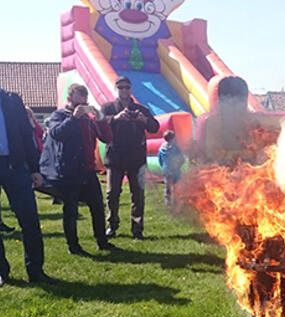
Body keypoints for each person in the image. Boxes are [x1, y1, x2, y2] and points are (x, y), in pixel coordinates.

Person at [40, 84, 117, 255]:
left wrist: (100, 118)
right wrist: (73, 118)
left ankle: (102, 242)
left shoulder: (89, 119)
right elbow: (56, 134)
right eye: (77, 103)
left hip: (88, 170)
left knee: (97, 206)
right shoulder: (59, 115)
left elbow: (107, 137)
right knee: (71, 210)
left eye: (84, 102)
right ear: (70, 100)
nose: (81, 107)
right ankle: (73, 246)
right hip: (69, 170)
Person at [0, 88, 56, 286]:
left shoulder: (12, 100)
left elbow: (26, 134)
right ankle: (1, 272)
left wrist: (35, 169)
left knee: (30, 220)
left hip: (15, 166)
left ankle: (36, 270)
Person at [101, 76, 159, 240]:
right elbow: (98, 122)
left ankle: (137, 229)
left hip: (136, 157)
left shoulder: (141, 109)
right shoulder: (108, 107)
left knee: (138, 194)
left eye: (127, 87)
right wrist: (115, 118)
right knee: (112, 193)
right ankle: (112, 225)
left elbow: (155, 127)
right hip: (115, 156)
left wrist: (145, 120)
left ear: (131, 89)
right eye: (121, 88)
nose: (124, 90)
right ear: (116, 89)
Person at [157, 129, 184, 206]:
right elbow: (181, 158)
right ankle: (176, 200)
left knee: (167, 185)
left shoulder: (161, 149)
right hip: (175, 170)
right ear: (173, 138)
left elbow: (160, 160)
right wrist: (179, 165)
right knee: (176, 185)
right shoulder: (175, 148)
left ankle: (167, 201)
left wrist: (164, 167)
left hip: (166, 170)